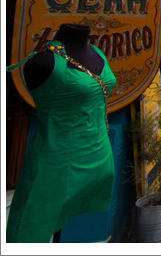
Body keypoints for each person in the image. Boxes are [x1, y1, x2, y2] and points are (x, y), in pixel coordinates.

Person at [7, 24, 116, 242]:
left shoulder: (97, 53)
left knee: (69, 220)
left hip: (97, 155)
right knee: (32, 225)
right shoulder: (43, 63)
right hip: (57, 159)